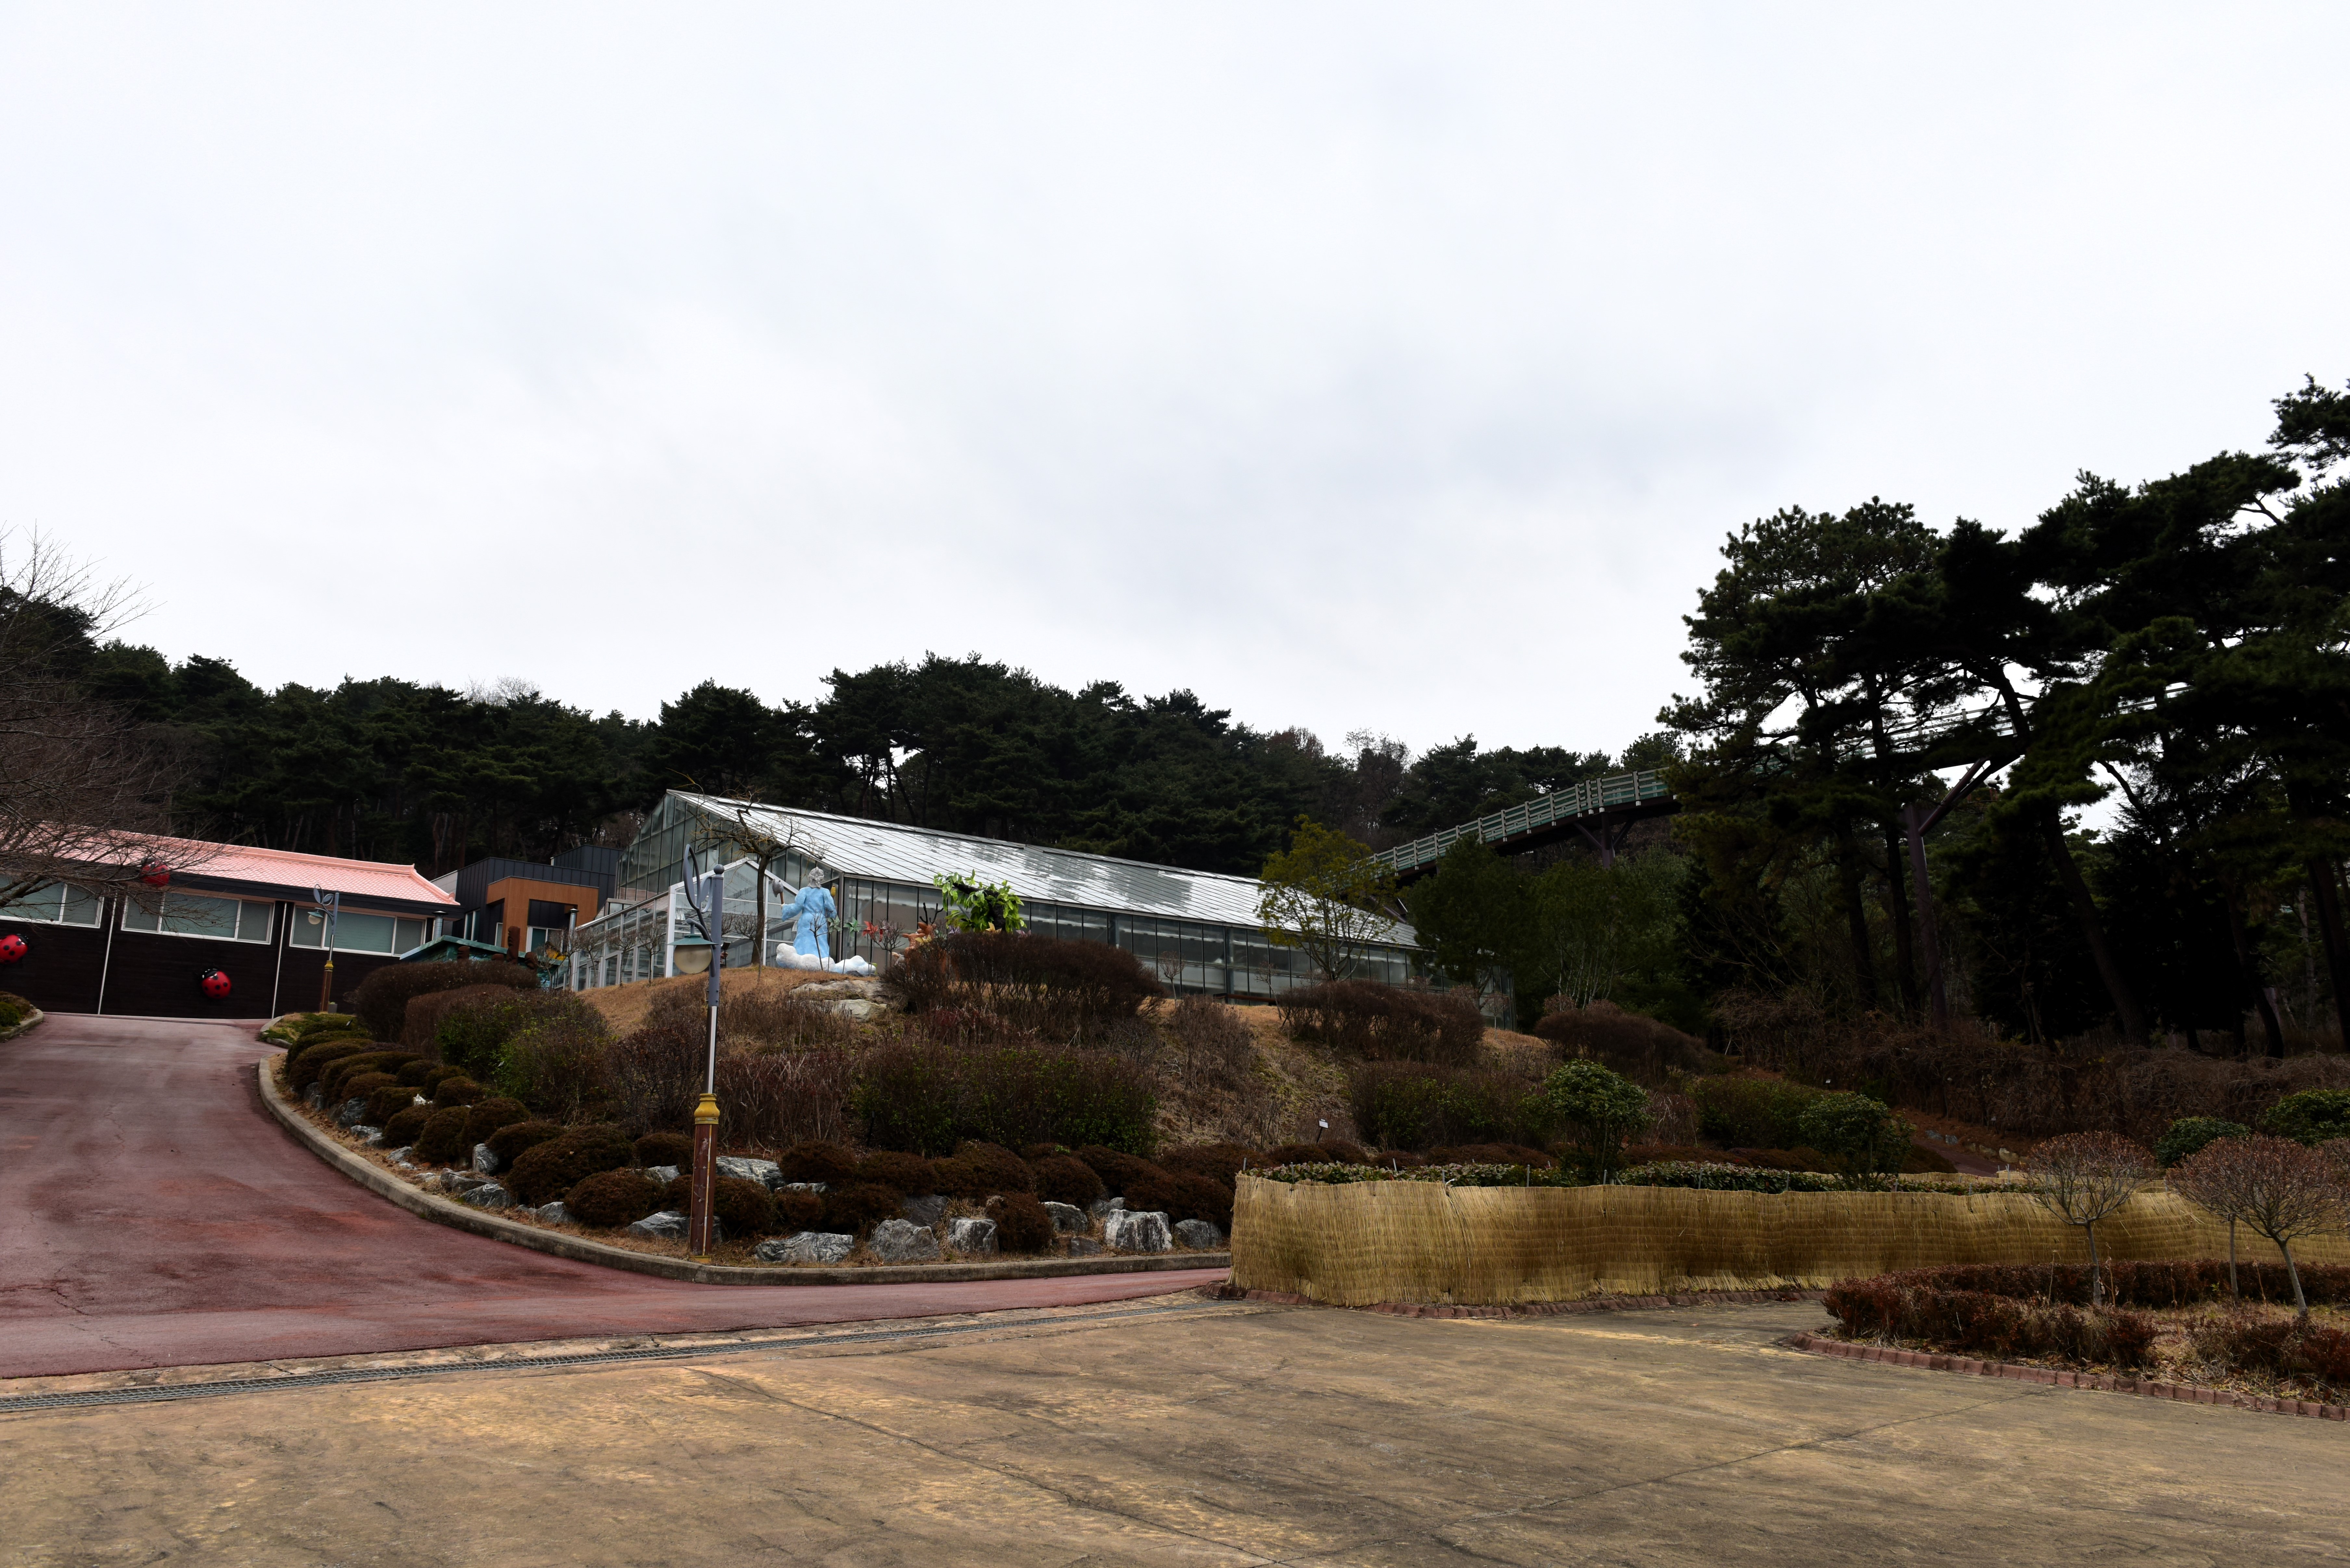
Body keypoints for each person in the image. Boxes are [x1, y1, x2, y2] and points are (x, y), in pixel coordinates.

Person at [787, 870, 838, 966]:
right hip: (820, 920)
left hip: (806, 920)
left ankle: (799, 961)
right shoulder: (825, 892)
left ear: (810, 878)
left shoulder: (804, 891)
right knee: (821, 942)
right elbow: (831, 909)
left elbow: (797, 907)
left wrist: (785, 909)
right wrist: (831, 917)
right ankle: (822, 963)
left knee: (803, 940)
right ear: (822, 879)